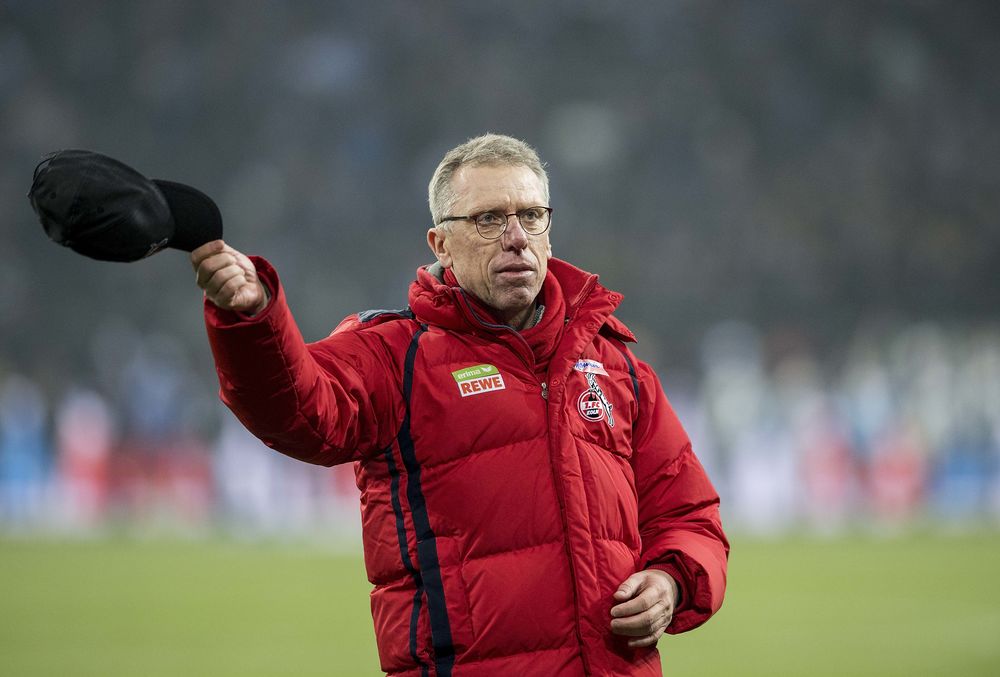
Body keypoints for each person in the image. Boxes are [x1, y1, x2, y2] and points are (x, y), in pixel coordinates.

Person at [192, 134, 728, 676]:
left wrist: (671, 582)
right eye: (488, 220)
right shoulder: (394, 356)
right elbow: (298, 411)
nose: (516, 238)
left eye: (531, 216)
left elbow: (689, 515)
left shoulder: (616, 366)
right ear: (441, 244)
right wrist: (252, 319)